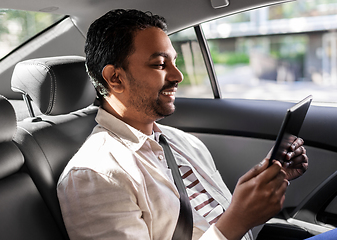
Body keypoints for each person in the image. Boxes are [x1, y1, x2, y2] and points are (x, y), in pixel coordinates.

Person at [57, 9, 308, 240]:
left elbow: (224, 224)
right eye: (159, 64)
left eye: (174, 62)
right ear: (115, 78)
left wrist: (269, 182)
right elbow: (231, 227)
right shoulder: (95, 174)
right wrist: (237, 220)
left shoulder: (181, 142)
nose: (178, 76)